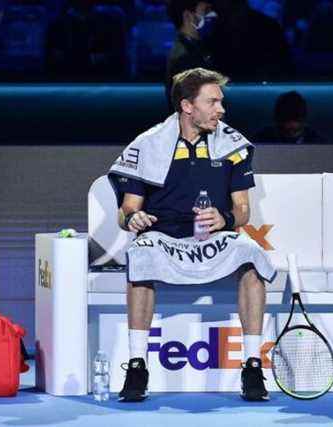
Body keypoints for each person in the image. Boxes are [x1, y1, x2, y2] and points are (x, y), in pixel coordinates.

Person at [107, 67, 276, 402]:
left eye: (221, 102)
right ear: (187, 106)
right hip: (164, 238)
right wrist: (134, 218)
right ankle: (138, 366)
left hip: (213, 236)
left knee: (253, 257)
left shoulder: (233, 144)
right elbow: (126, 211)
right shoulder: (148, 144)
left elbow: (243, 210)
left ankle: (253, 365)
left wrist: (225, 217)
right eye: (212, 102)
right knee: (140, 253)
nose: (221, 109)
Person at [165, 0, 217, 111]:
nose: (213, 14)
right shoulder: (183, 57)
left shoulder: (198, 48)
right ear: (188, 16)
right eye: (206, 10)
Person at [255, 91, 326, 144]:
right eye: (287, 121)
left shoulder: (317, 141)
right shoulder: (262, 138)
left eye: (296, 119)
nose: (291, 126)